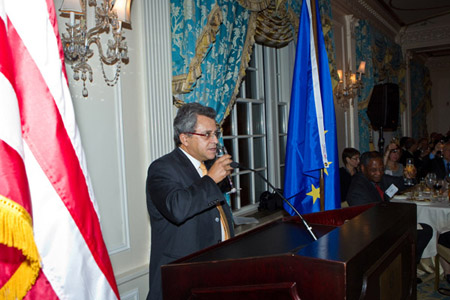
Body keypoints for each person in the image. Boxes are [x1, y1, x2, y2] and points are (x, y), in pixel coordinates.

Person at [146, 103, 235, 300]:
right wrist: (211, 180)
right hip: (181, 278)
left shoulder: (206, 167)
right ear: (184, 138)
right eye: (207, 135)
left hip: (215, 272)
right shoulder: (162, 168)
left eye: (216, 134)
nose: (215, 141)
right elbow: (177, 209)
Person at [346, 151, 432, 272]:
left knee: (425, 229)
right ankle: (406, 269)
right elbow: (371, 217)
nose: (379, 173)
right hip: (374, 234)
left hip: (386, 224)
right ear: (362, 168)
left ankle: (407, 268)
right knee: (422, 231)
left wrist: (409, 177)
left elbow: (399, 183)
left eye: (381, 169)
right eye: (374, 170)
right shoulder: (358, 188)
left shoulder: (377, 178)